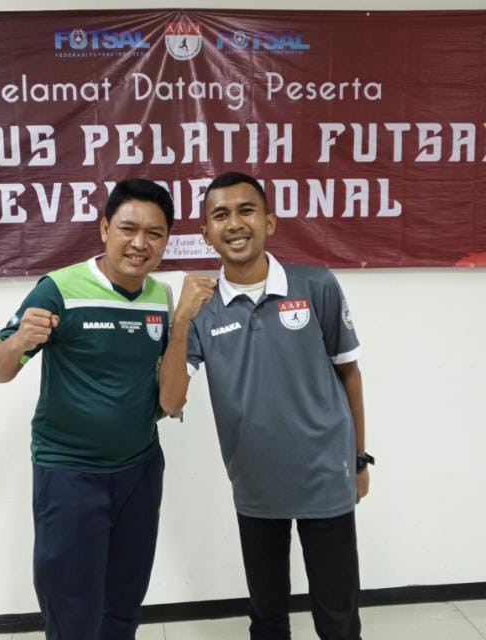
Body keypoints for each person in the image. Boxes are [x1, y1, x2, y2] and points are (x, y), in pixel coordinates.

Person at [159, 171, 373, 640]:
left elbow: (350, 375)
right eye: (220, 215)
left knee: (338, 616)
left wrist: (359, 460)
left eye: (246, 210)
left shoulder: (316, 285)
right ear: (206, 233)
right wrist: (182, 320)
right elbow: (170, 400)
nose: (235, 224)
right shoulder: (202, 309)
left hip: (326, 475)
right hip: (255, 483)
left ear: (269, 222)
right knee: (268, 616)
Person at [0, 179, 174, 640]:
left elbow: (163, 386)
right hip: (69, 475)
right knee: (72, 613)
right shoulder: (59, 289)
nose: (140, 243)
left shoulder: (161, 297)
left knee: (124, 604)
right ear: (105, 228)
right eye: (128, 228)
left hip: (140, 471)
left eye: (154, 233)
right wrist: (20, 341)